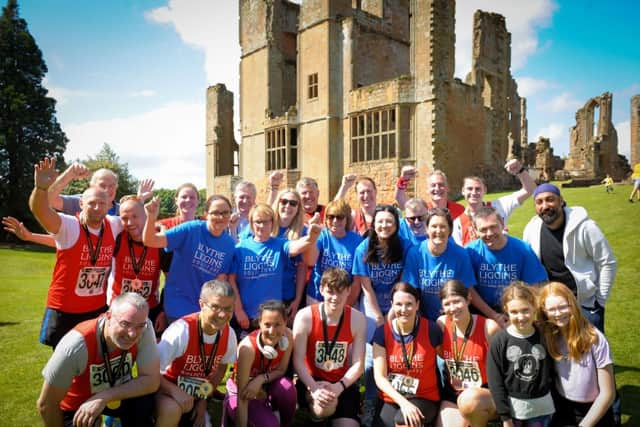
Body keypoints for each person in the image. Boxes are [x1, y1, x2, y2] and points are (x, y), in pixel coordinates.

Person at [29, 158, 123, 348]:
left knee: (91, 361)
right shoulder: (69, 225)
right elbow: (40, 209)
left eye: (102, 204)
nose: (97, 208)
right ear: (81, 203)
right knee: (61, 365)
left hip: (96, 309)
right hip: (64, 309)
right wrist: (40, 189)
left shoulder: (114, 224)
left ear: (109, 205)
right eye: (92, 203)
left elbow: (141, 222)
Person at [37, 292, 160, 427]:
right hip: (78, 406)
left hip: (117, 394)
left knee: (146, 403)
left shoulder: (145, 328)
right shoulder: (76, 344)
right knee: (87, 422)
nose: (132, 334)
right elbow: (46, 404)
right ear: (108, 316)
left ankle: (113, 419)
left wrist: (105, 396)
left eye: (139, 326)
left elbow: (152, 381)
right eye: (125, 324)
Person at [522, 183, 617, 332]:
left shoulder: (585, 227)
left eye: (550, 199)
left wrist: (600, 301)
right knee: (555, 353)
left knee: (592, 352)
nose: (545, 206)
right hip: (551, 307)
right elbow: (530, 267)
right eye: (539, 202)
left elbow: (607, 262)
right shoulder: (531, 230)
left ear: (561, 201)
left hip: (584, 304)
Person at [352, 205, 413, 426]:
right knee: (371, 360)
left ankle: (395, 398)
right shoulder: (363, 248)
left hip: (398, 302)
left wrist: (394, 312)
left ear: (396, 225)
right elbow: (366, 287)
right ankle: (369, 402)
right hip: (372, 304)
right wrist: (378, 315)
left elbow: (404, 282)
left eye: (389, 221)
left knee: (398, 352)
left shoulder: (405, 247)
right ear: (373, 224)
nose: (384, 226)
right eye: (380, 221)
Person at [156, 280, 238, 427]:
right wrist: (174, 391)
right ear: (201, 304)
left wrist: (203, 400)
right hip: (165, 391)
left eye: (228, 308)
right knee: (171, 410)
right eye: (215, 307)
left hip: (196, 396)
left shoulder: (229, 334)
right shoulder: (181, 331)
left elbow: (221, 368)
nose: (222, 315)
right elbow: (151, 372)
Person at [229, 203, 321, 335]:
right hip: (247, 317)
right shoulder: (240, 248)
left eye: (266, 222)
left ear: (272, 223)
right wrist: (238, 310)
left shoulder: (279, 244)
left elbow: (296, 246)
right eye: (258, 222)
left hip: (274, 318)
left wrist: (312, 237)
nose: (261, 226)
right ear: (251, 223)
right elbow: (231, 281)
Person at [143, 194, 236, 323]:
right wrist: (151, 218)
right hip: (178, 306)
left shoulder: (229, 244)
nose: (220, 217)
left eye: (225, 213)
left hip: (205, 310)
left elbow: (220, 280)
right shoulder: (191, 229)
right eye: (215, 213)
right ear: (206, 214)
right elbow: (151, 240)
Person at [292, 268, 367, 427]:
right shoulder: (305, 316)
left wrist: (339, 387)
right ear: (321, 290)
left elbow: (359, 364)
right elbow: (297, 360)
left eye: (340, 292)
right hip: (311, 380)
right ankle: (315, 416)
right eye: (330, 291)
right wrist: (314, 388)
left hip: (341, 382)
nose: (335, 297)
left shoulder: (358, 319)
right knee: (322, 409)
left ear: (348, 291)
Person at [538, 282, 616, 427]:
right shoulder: (549, 336)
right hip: (563, 408)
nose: (558, 313)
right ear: (544, 311)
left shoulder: (594, 338)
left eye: (562, 307)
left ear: (572, 304)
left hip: (595, 411)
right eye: (552, 309)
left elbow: (608, 393)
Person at [372, 282, 442, 427]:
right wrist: (403, 402)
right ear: (392, 305)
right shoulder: (382, 333)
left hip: (424, 396)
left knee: (403, 422)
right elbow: (380, 377)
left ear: (417, 305)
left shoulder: (432, 330)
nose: (404, 309)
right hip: (394, 397)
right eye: (398, 304)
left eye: (409, 304)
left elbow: (445, 360)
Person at [465, 206, 548, 327]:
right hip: (481, 309)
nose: (489, 233)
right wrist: (494, 315)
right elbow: (469, 289)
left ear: (502, 223)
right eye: (483, 229)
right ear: (475, 230)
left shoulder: (523, 249)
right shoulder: (470, 251)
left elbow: (534, 286)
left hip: (515, 308)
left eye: (493, 227)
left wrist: (519, 313)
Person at [487, 282, 555, 427]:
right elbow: (495, 381)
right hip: (514, 410)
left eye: (525, 310)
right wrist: (505, 417)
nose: (521, 317)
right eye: (514, 312)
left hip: (543, 408)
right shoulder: (500, 340)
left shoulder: (545, 334)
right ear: (506, 310)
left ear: (534, 307)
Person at [436, 280, 500, 427]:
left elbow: (503, 368)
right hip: (454, 392)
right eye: (447, 304)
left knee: (470, 400)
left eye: (457, 301)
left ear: (469, 299)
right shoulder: (441, 324)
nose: (452, 308)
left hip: (484, 393)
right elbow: (440, 354)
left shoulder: (489, 328)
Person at [224, 300, 296, 427]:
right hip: (243, 393)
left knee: (288, 389)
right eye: (267, 325)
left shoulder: (288, 336)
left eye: (278, 324)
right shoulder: (248, 349)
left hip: (264, 385)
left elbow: (282, 369)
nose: (272, 331)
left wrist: (260, 379)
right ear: (259, 324)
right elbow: (242, 397)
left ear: (285, 323)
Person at [401, 207, 476, 321]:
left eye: (443, 226)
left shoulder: (460, 255)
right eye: (434, 226)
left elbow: (467, 290)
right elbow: (410, 290)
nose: (438, 230)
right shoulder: (415, 253)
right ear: (427, 229)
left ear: (450, 230)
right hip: (422, 317)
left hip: (452, 315)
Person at [109, 195, 165, 331]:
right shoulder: (117, 238)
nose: (129, 222)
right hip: (119, 309)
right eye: (124, 218)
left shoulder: (160, 242)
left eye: (135, 216)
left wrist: (164, 311)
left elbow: (172, 280)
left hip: (150, 310)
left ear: (145, 216)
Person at [452, 159, 536, 246]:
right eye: (469, 189)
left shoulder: (499, 206)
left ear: (485, 190)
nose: (473, 192)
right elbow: (460, 252)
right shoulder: (458, 223)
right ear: (463, 191)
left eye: (478, 189)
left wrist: (520, 170)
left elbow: (530, 190)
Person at [308, 199, 362, 304]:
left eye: (340, 217)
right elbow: (311, 260)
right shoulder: (321, 236)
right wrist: (312, 238)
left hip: (344, 298)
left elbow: (357, 280)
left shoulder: (357, 242)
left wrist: (347, 305)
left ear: (347, 219)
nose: (335, 221)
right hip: (317, 295)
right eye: (331, 217)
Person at [271, 188, 308, 322]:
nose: (288, 206)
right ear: (278, 203)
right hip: (264, 292)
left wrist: (297, 299)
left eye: (293, 203)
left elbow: (302, 268)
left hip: (287, 294)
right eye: (284, 201)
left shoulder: (304, 232)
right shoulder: (265, 224)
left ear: (298, 208)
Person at [394, 167, 465, 220]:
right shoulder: (422, 210)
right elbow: (400, 198)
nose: (437, 188)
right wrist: (403, 179)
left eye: (441, 185)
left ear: (448, 188)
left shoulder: (460, 210)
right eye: (433, 185)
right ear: (427, 190)